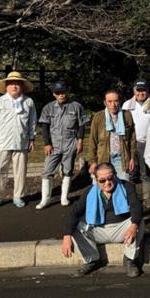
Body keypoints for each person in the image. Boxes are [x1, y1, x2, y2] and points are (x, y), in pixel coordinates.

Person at [61, 162, 144, 278]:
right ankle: (91, 260)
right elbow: (74, 213)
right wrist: (66, 237)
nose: (107, 183)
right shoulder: (89, 191)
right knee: (74, 227)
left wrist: (133, 226)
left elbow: (136, 207)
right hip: (98, 229)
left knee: (139, 223)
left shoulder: (127, 186)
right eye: (102, 181)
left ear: (115, 175)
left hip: (121, 230)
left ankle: (129, 260)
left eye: (110, 178)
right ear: (96, 180)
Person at [0, 71, 38, 208]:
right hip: (2, 143)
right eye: (11, 84)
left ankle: (18, 196)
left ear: (22, 86)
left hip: (21, 142)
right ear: (6, 86)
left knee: (20, 171)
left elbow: (32, 122)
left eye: (17, 83)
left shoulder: (28, 102)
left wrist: (32, 138)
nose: (14, 86)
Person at [36, 81, 89, 209]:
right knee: (47, 171)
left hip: (70, 142)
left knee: (67, 170)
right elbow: (44, 126)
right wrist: (47, 143)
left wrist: (80, 141)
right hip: (53, 144)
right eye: (58, 93)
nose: (61, 95)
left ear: (67, 92)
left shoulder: (76, 106)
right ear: (54, 94)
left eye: (63, 92)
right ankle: (45, 199)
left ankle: (64, 197)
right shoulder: (48, 107)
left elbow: (82, 125)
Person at [122, 78, 150, 210]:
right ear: (134, 91)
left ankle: (147, 200)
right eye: (138, 90)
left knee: (145, 173)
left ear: (147, 90)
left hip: (148, 143)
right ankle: (132, 200)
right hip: (131, 144)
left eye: (143, 90)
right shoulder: (127, 105)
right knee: (131, 172)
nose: (141, 93)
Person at [88, 89, 137, 181]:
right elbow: (92, 141)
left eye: (116, 101)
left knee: (122, 187)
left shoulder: (127, 115)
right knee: (101, 188)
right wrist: (92, 162)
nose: (113, 105)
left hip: (121, 158)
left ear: (119, 101)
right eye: (109, 101)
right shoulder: (98, 117)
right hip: (103, 159)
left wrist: (132, 158)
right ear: (105, 103)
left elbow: (132, 139)